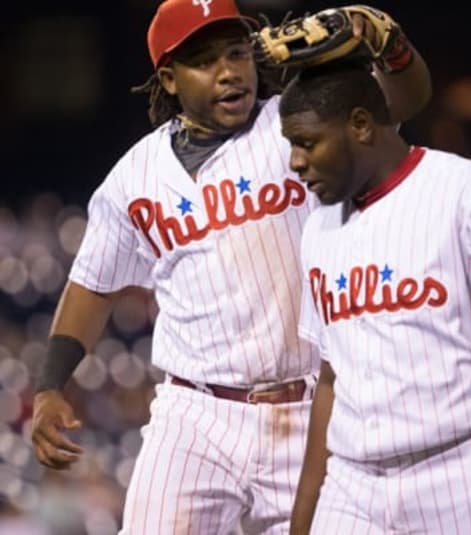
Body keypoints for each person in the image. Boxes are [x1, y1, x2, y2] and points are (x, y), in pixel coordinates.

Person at [30, 0, 432, 533]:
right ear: (169, 79)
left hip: (313, 406)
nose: (228, 72)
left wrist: (392, 48)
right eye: (205, 61)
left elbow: (403, 100)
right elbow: (92, 286)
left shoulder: (296, 119)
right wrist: (50, 386)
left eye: (237, 53)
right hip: (195, 416)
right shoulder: (134, 177)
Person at [279, 62, 471, 534]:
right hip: (353, 485)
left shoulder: (463, 194)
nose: (295, 161)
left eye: (306, 142)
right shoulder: (319, 229)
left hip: (456, 471)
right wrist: (303, 520)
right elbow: (330, 379)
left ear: (361, 125)